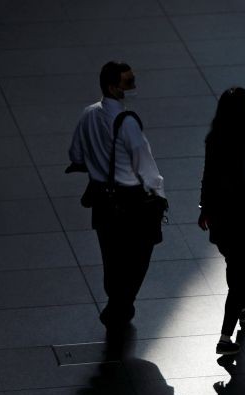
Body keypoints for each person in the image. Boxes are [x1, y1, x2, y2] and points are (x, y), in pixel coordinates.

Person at [68, 60, 167, 331]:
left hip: (102, 199)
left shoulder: (88, 114)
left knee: (110, 255)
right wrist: (160, 195)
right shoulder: (127, 123)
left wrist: (97, 163)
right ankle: (122, 304)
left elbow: (75, 154)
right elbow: (145, 165)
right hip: (132, 200)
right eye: (129, 82)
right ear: (113, 87)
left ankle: (116, 301)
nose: (134, 87)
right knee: (139, 255)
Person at [198, 87, 245, 356]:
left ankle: (241, 306)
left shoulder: (213, 140)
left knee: (234, 266)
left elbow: (208, 176)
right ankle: (226, 336)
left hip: (221, 217)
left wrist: (204, 208)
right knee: (239, 278)